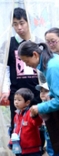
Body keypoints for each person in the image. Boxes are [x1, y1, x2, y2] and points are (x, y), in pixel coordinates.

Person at [0, 8, 41, 136]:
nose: (19, 27)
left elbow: (43, 68)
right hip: (17, 93)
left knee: (38, 127)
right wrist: (6, 89)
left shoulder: (38, 42)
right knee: (18, 128)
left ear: (29, 22)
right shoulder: (9, 44)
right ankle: (19, 154)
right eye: (15, 24)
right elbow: (4, 68)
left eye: (22, 23)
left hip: (36, 92)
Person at [10, 88, 43, 156]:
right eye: (15, 99)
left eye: (19, 100)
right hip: (20, 148)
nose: (16, 102)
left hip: (32, 149)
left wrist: (35, 115)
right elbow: (15, 129)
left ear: (27, 102)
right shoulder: (17, 114)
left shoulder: (30, 113)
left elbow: (37, 123)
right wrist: (11, 142)